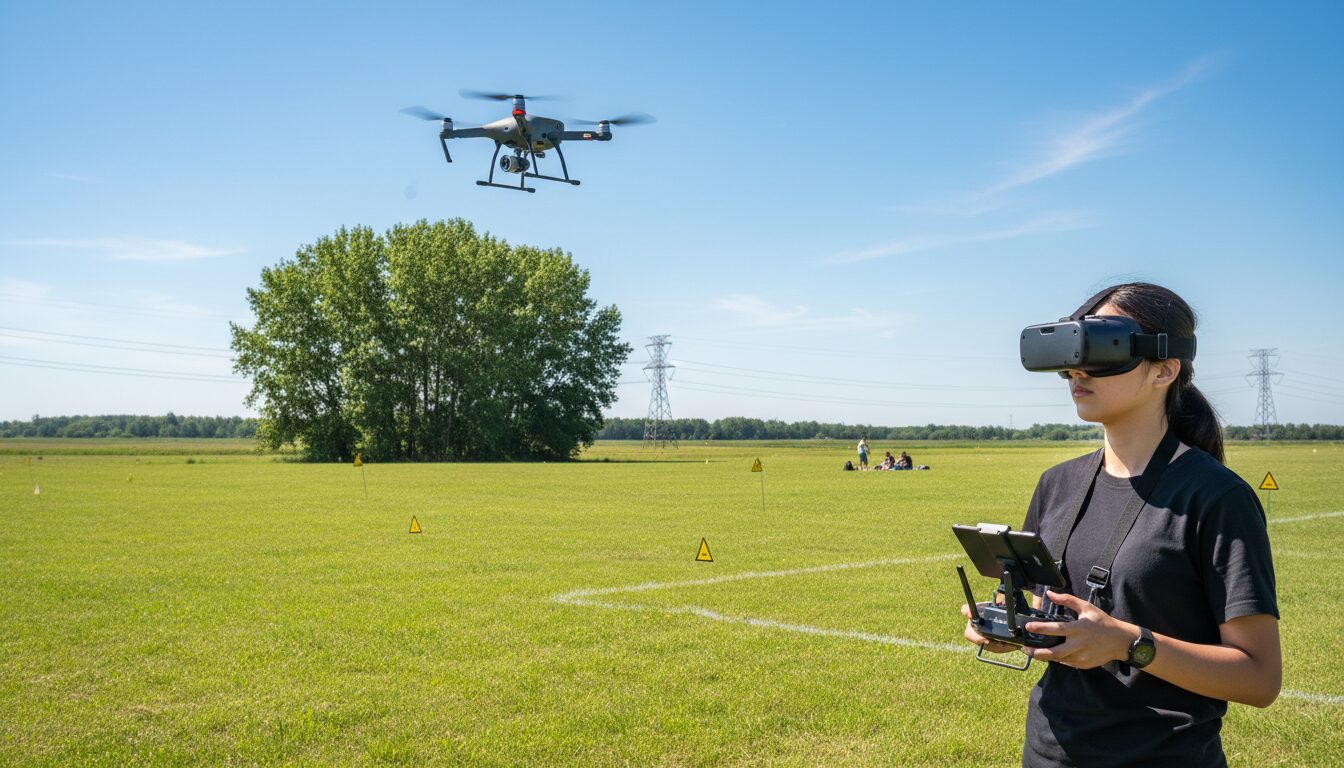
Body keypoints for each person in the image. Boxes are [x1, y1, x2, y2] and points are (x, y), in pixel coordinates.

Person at [959, 282, 1280, 767]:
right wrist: (1010, 625)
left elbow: (1259, 678)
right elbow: (1041, 605)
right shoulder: (1057, 484)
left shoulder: (1217, 498)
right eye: (1072, 352)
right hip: (1049, 752)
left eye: (1103, 348)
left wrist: (1129, 644)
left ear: (1164, 369)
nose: (1077, 372)